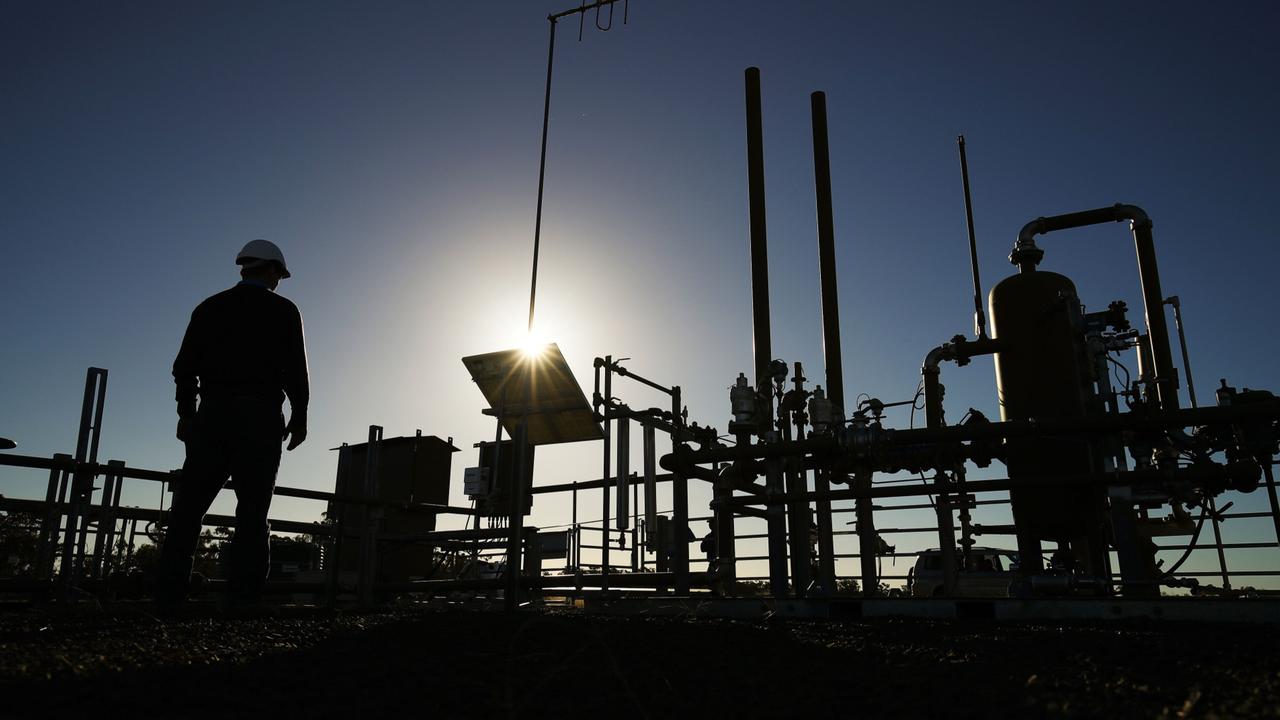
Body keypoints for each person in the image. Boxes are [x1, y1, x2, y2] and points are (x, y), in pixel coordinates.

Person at [157, 239, 309, 609]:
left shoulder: (209, 308)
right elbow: (295, 371)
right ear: (271, 269)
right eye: (279, 275)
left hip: (212, 416)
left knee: (189, 509)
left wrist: (186, 413)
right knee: (253, 513)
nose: (279, 281)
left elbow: (184, 368)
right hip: (259, 419)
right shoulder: (284, 311)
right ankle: (243, 601)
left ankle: (169, 597)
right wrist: (300, 415)